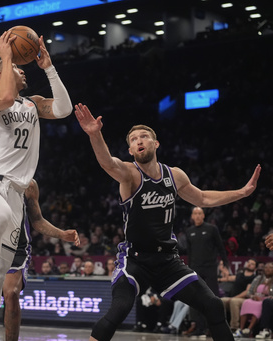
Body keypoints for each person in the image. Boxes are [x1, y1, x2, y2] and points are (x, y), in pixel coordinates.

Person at [74, 102, 261, 341]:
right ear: (130, 150)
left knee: (213, 305)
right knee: (119, 309)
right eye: (133, 139)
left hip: (167, 261)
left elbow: (202, 197)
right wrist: (95, 134)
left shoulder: (175, 175)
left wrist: (241, 193)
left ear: (156, 143)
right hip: (136, 261)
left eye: (144, 136)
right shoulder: (129, 174)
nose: (139, 141)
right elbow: (107, 163)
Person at [0, 30, 72, 330]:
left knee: (2, 277)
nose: (23, 70)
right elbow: (5, 96)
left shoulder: (32, 104)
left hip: (15, 192)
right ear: (0, 73)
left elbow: (64, 109)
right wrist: (7, 55)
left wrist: (48, 67)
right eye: (15, 68)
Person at [0, 179, 79, 341]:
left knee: (11, 293)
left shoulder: (29, 185)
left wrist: (61, 234)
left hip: (17, 248)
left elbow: (37, 220)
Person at [186, 206, 230, 337]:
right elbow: (189, 253)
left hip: (210, 268)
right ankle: (199, 328)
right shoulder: (189, 231)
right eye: (195, 213)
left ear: (204, 216)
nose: (198, 216)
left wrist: (226, 263)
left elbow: (221, 248)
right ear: (192, 217)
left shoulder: (212, 229)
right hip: (195, 268)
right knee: (196, 299)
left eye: (200, 213)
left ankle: (213, 328)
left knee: (212, 299)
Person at [233, 262, 273, 338]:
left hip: (266, 300)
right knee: (246, 302)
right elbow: (249, 292)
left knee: (261, 304)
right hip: (255, 298)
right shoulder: (258, 278)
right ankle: (241, 329)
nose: (268, 269)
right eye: (266, 267)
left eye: (270, 267)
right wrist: (253, 296)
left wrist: (265, 297)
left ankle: (249, 329)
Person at [221, 258, 258, 331]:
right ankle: (221, 325)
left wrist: (233, 298)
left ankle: (234, 327)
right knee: (220, 300)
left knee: (234, 302)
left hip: (244, 299)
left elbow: (247, 291)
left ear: (255, 268)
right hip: (232, 298)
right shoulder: (239, 275)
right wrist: (223, 271)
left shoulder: (253, 278)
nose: (249, 264)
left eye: (252, 264)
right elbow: (228, 278)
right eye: (249, 262)